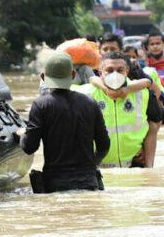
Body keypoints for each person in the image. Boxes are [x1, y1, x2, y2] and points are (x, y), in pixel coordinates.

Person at [19, 51, 110, 193]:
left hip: (55, 185)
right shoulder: (90, 103)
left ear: (43, 77)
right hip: (89, 183)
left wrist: (23, 134)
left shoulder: (41, 105)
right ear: (73, 76)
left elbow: (29, 147)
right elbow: (104, 145)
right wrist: (92, 165)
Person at [75, 52, 162, 168]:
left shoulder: (142, 93)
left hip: (133, 166)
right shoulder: (83, 94)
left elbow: (155, 125)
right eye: (109, 70)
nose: (115, 74)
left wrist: (148, 163)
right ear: (101, 72)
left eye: (120, 70)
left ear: (127, 71)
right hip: (95, 168)